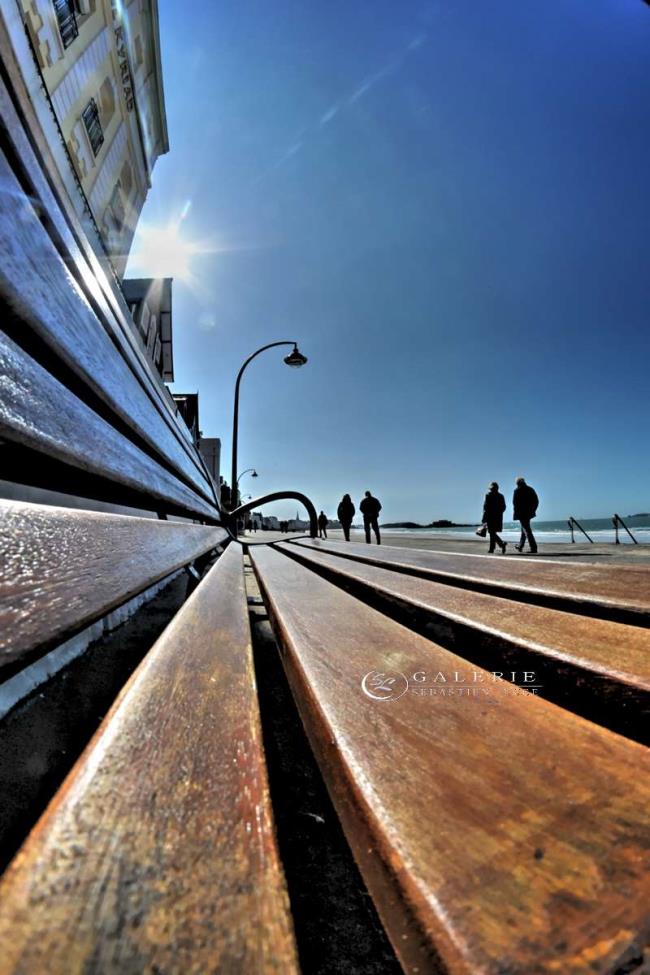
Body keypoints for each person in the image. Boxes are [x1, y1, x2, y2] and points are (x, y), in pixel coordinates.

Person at [513, 477, 539, 554]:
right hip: (529, 513)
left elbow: (515, 503)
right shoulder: (530, 489)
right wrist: (533, 510)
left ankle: (533, 547)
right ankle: (520, 545)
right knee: (524, 528)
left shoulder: (517, 491)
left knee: (526, 529)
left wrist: (517, 512)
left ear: (517, 483)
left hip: (521, 513)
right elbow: (536, 501)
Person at [482, 482, 507, 555]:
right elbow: (504, 507)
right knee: (492, 532)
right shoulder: (501, 496)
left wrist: (484, 518)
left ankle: (499, 545)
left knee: (491, 532)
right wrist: (499, 513)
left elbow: (485, 507)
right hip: (498, 517)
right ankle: (494, 548)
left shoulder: (488, 495)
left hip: (490, 516)